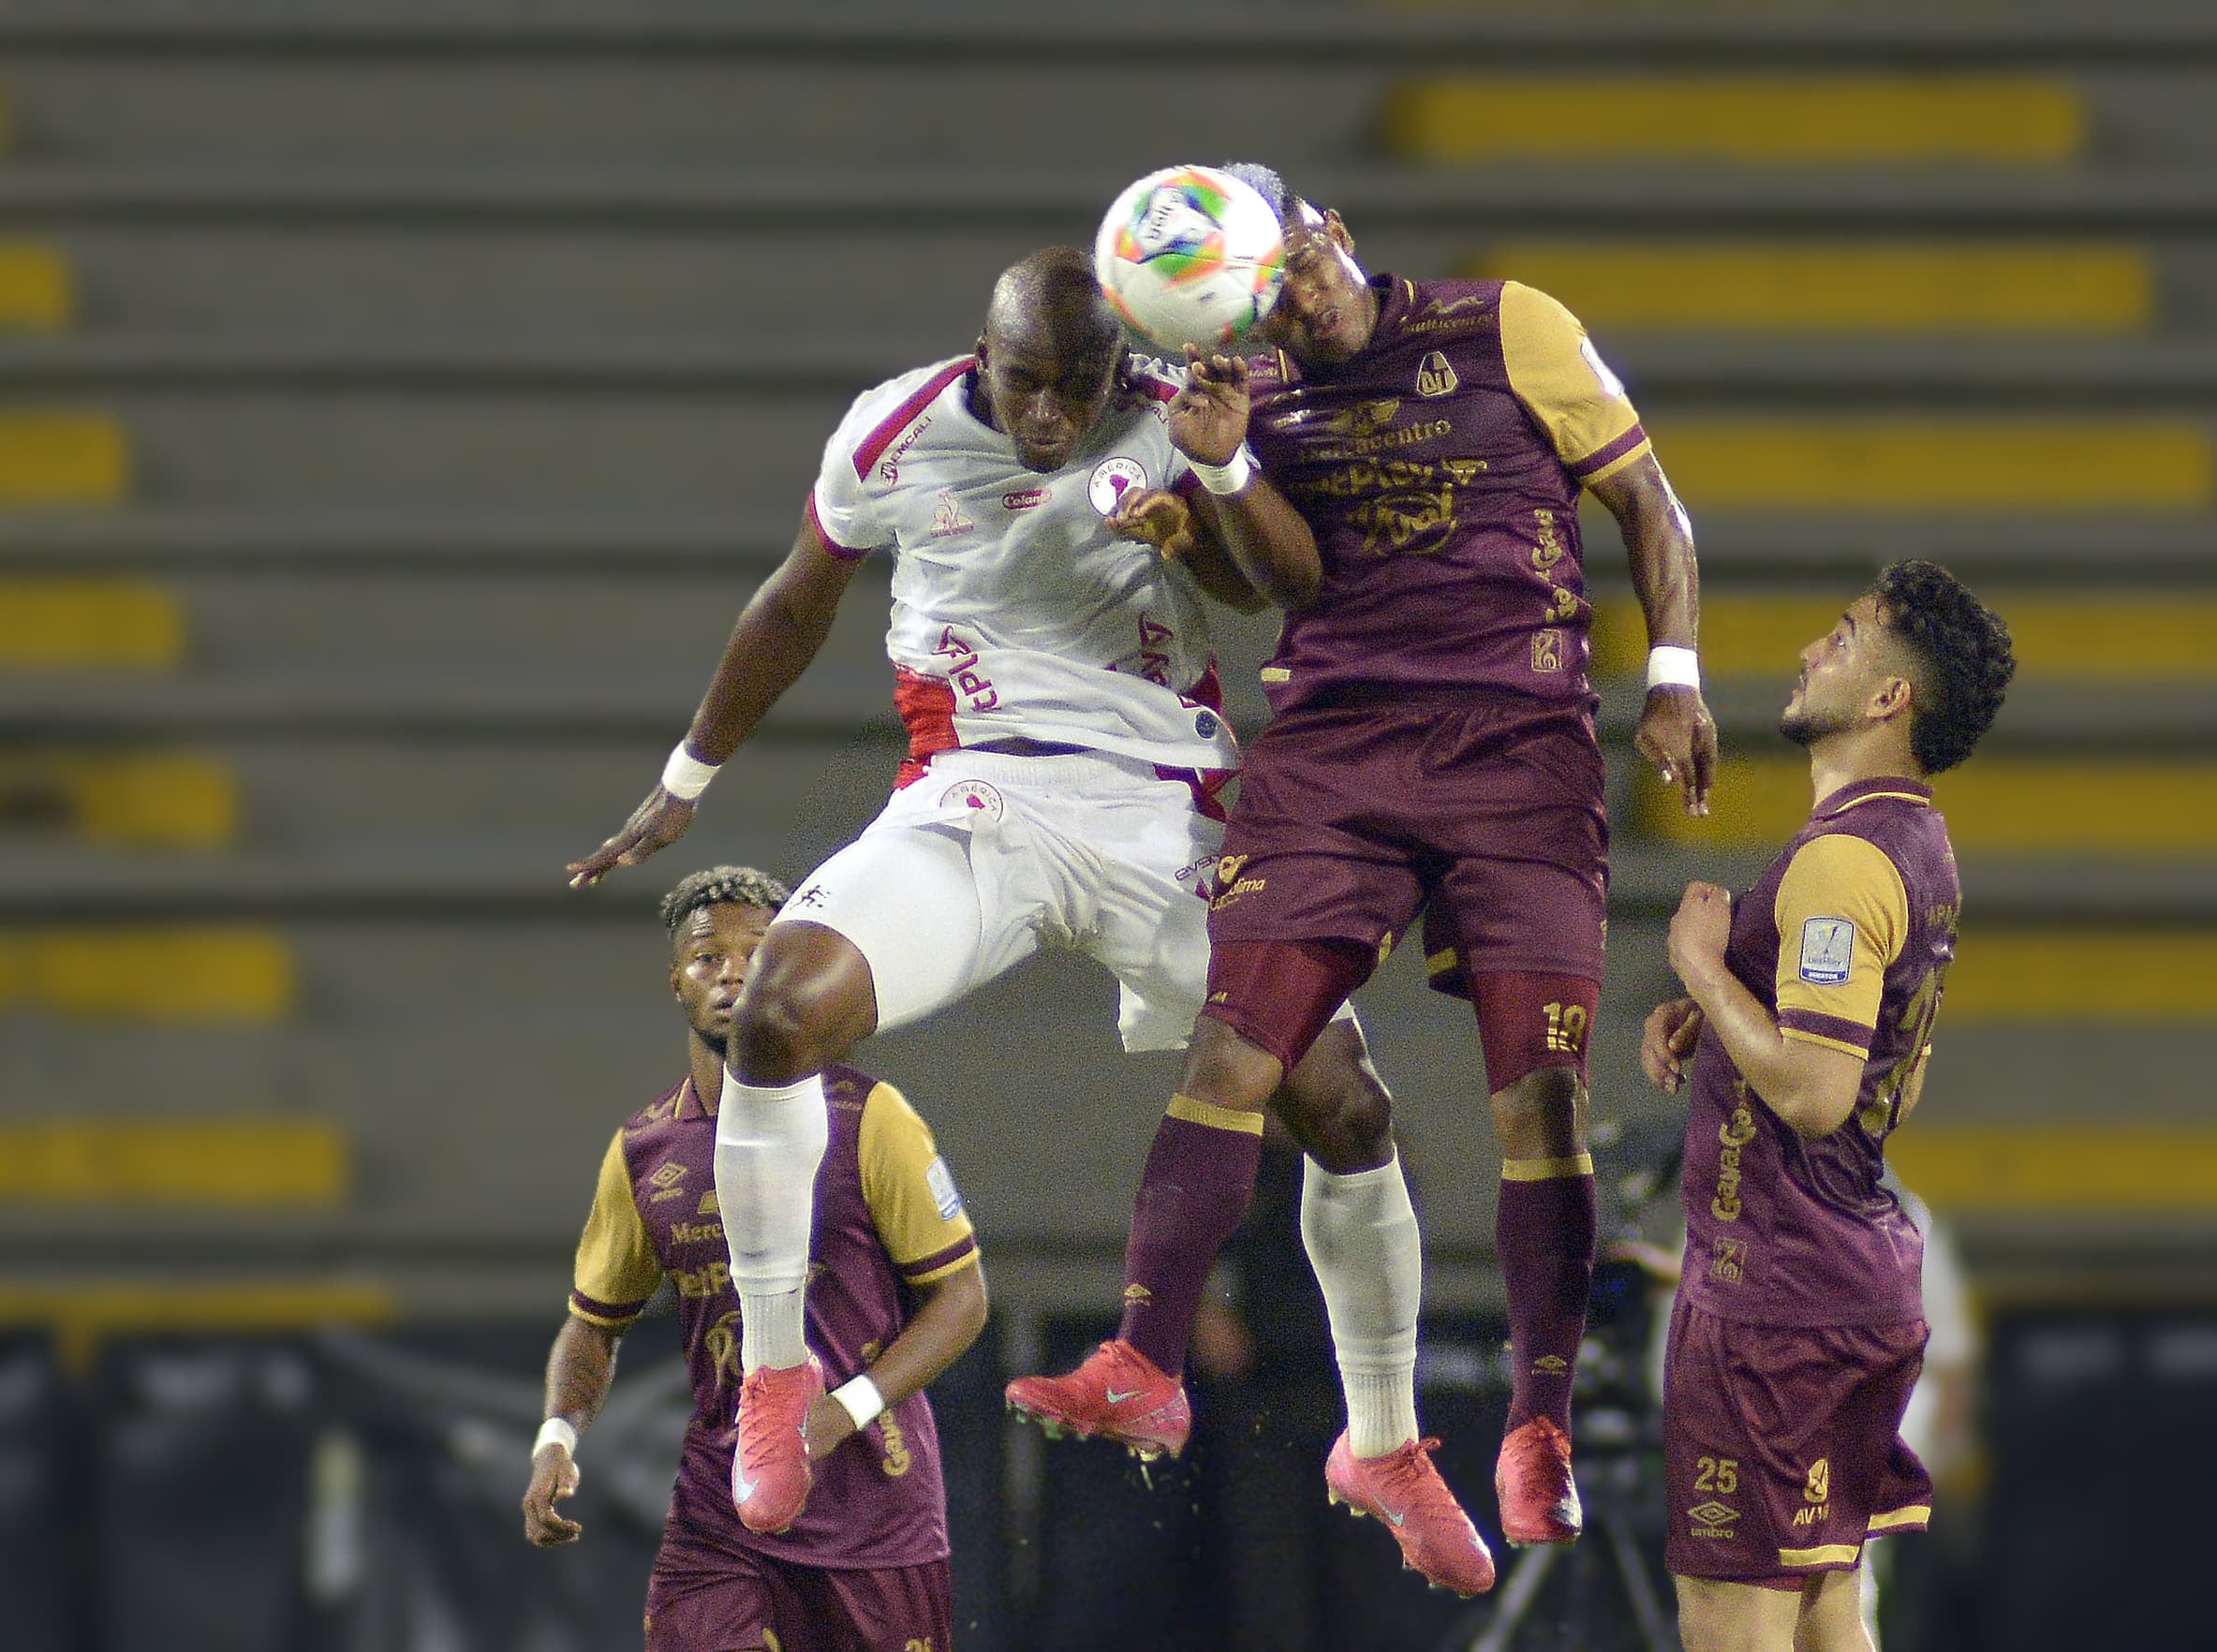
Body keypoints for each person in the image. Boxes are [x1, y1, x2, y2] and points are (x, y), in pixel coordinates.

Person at [564, 247, 1397, 1542]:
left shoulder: (1178, 413)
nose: (1052, 417)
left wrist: (1203, 498)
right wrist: (688, 775)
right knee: (776, 1014)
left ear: (1120, 366)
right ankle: (777, 1380)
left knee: (1345, 1110)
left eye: (1078, 386)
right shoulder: (893, 430)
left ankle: (1387, 1441)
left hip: (1163, 807)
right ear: (981, 355)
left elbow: (1269, 588)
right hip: (977, 793)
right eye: (1025, 385)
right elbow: (796, 600)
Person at [1007, 161, 1720, 1572]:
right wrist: (1214, 472)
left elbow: (1652, 509)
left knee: (1542, 1102)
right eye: (1263, 298)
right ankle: (1142, 1360)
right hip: (1335, 745)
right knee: (1232, 1054)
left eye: (1302, 261)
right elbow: (1284, 582)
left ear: (1325, 231)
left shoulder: (1507, 325)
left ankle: (1538, 1425)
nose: (1298, 298)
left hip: (1518, 744)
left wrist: (1675, 675)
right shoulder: (1242, 399)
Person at [1636, 562, 2013, 1652]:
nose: (1811, 651)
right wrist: (1734, 1012)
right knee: (1826, 1616)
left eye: (1844, 639)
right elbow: (1897, 1066)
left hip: (1773, 1304)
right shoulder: (1917, 846)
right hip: (1848, 1290)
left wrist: (1704, 966)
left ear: (1892, 699)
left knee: (1735, 1628)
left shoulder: (1844, 861)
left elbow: (1814, 1091)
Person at [522, 866, 987, 1652]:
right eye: (708, 956)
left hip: (874, 1516)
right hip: (720, 1520)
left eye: (759, 951)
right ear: (676, 981)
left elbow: (964, 1299)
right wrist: (555, 1441)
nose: (734, 969)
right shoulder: (644, 1151)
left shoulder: (869, 1117)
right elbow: (592, 1325)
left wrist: (847, 1409)